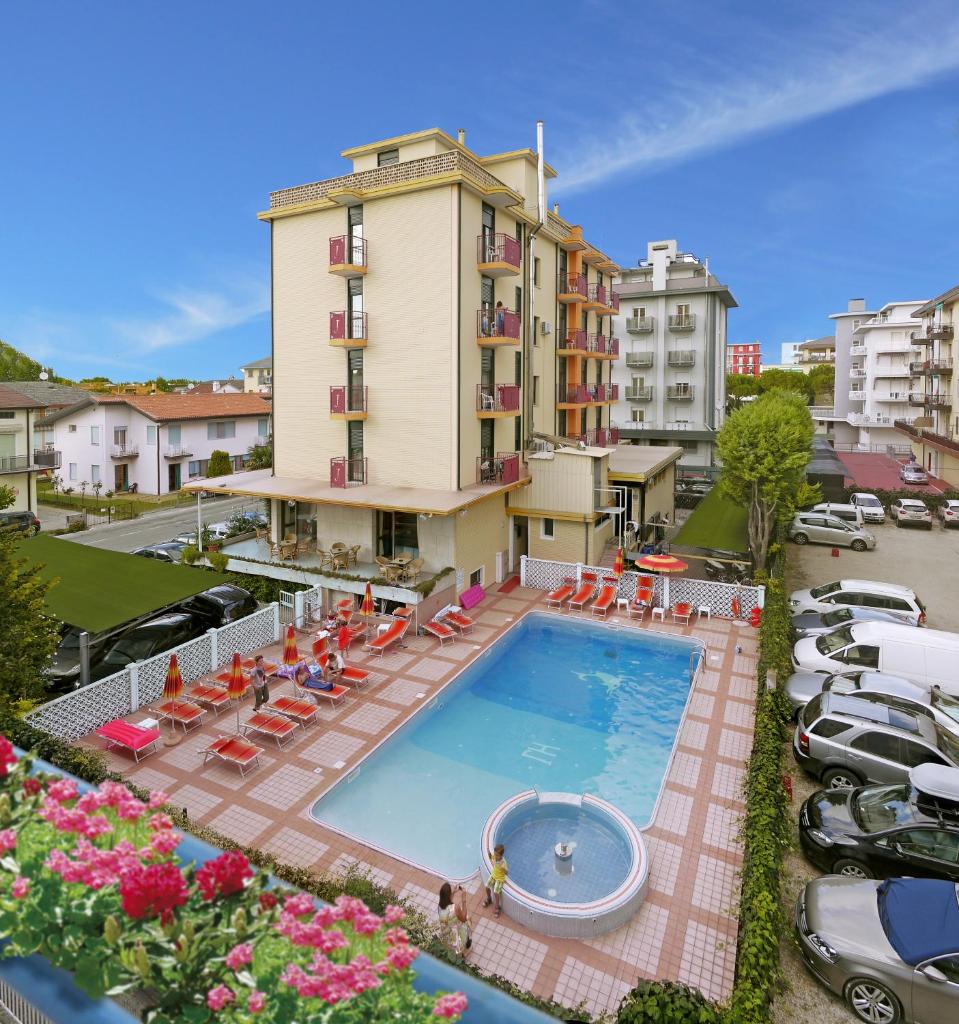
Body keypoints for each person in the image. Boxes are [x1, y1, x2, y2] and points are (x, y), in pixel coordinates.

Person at [438, 883, 472, 957]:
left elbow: (448, 903)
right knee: (468, 919)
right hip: (456, 934)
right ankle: (465, 947)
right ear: (449, 895)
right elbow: (463, 919)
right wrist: (463, 900)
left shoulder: (440, 906)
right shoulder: (455, 908)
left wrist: (453, 892)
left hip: (446, 932)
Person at [483, 843, 508, 917]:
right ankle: (489, 898)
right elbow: (491, 857)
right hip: (494, 875)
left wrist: (503, 869)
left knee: (496, 892)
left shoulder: (503, 862)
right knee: (487, 886)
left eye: (497, 855)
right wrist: (489, 854)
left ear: (501, 855)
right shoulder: (495, 856)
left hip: (500, 878)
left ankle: (497, 906)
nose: (495, 856)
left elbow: (507, 873)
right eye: (495, 854)